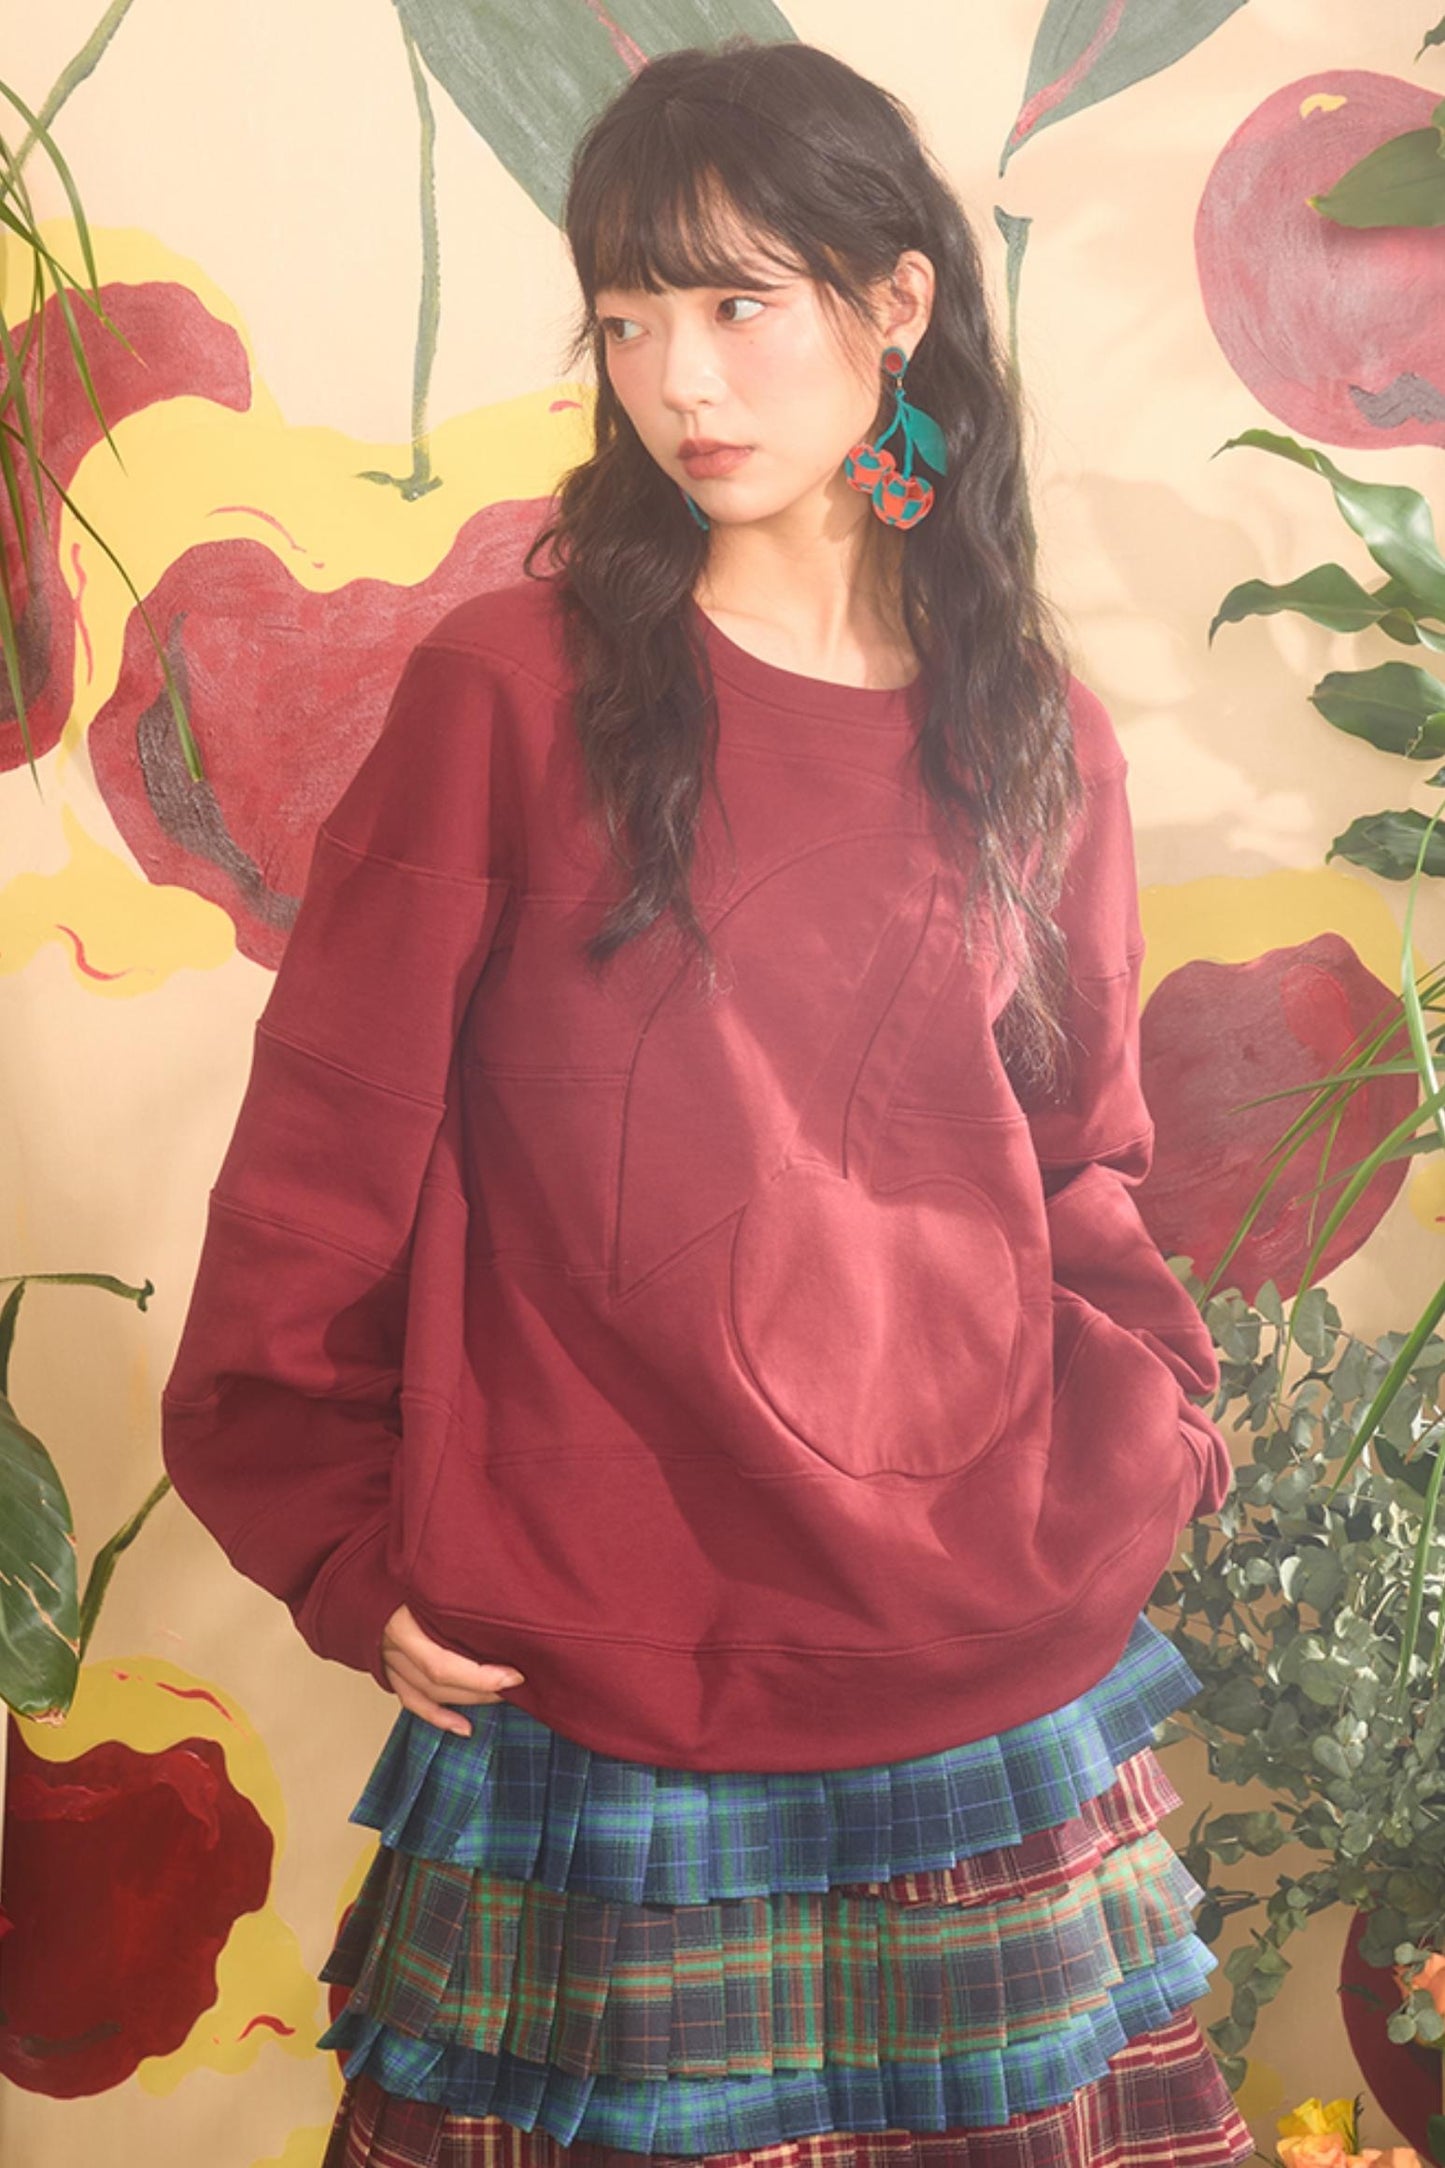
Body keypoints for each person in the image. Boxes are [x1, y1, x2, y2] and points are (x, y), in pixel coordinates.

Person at [161, 35, 1255, 2168]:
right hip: (608, 1653)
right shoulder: (508, 693)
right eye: (630, 320)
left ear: (896, 303)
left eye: (740, 304)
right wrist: (329, 1526)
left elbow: (1081, 1159)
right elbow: (326, 1147)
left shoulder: (1035, 735)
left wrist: (1155, 1414)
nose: (681, 380)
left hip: (984, 1645)